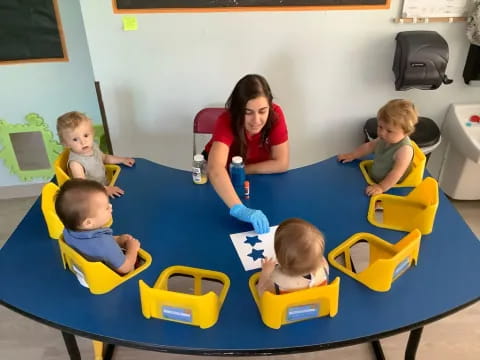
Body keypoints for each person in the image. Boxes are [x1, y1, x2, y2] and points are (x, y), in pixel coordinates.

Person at [204, 74, 289, 234]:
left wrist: (242, 171)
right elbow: (215, 168)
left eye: (262, 111)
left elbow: (281, 163)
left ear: (270, 106)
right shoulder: (226, 120)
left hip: (252, 176)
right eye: (248, 112)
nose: (256, 120)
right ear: (237, 111)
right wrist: (239, 209)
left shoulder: (276, 114)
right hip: (220, 179)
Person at [55, 178, 141, 276]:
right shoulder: (105, 244)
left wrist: (117, 240)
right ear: (88, 223)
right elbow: (125, 268)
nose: (111, 206)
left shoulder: (69, 229)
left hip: (81, 270)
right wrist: (132, 249)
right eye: (106, 208)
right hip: (104, 278)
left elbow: (93, 247)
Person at [337, 99, 419, 196]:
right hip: (375, 178)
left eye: (389, 131)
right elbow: (369, 146)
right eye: (380, 127)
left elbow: (396, 173)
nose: (382, 133)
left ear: (406, 132)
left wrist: (381, 187)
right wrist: (352, 155)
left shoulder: (404, 150)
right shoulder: (385, 138)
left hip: (391, 187)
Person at [56, 111, 135, 198]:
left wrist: (122, 160)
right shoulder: (75, 163)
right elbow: (83, 186)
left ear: (92, 133)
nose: (83, 142)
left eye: (85, 135)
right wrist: (105, 189)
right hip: (92, 195)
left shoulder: (92, 146)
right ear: (66, 144)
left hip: (106, 185)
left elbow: (104, 158)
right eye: (75, 139)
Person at [256, 218, 329, 296]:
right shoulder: (324, 268)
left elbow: (261, 292)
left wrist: (266, 272)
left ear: (279, 260)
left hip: (285, 307)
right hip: (315, 304)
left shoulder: (276, 282)